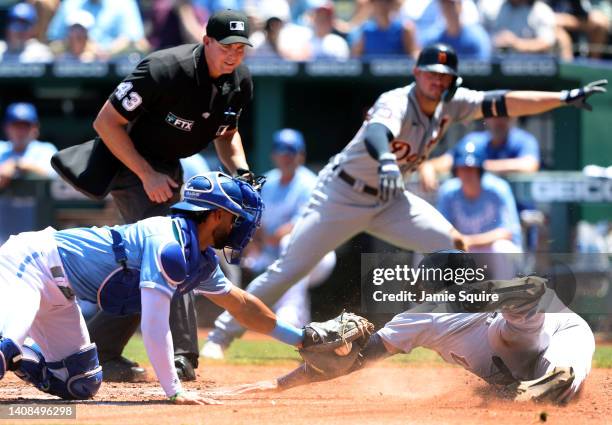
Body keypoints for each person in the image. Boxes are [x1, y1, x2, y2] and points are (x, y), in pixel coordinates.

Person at [204, 43, 607, 356]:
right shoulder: (399, 98)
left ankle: (473, 331)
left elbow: (503, 100)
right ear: (417, 73)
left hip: (390, 200)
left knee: (452, 245)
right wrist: (384, 161)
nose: (437, 81)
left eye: (444, 76)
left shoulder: (453, 102)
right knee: (288, 270)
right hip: (342, 195)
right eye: (431, 74)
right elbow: (380, 131)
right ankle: (220, 337)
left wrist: (563, 96)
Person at [51, 9, 255, 382]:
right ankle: (181, 357)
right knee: (175, 248)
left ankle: (96, 351)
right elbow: (106, 123)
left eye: (241, 47)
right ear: (206, 41)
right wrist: (146, 174)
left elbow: (226, 133)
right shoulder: (164, 68)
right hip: (129, 164)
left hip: (169, 168)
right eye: (227, 46)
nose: (234, 54)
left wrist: (240, 171)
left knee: (142, 263)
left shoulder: (238, 80)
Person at [0, 172, 324, 404]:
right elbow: (155, 327)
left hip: (61, 294)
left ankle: (21, 355)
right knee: (6, 345)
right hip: (32, 262)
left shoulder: (200, 257)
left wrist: (300, 340)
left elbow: (241, 305)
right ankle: (13, 349)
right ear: (215, 216)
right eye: (235, 218)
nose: (242, 226)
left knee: (80, 383)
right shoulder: (169, 245)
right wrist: (174, 391)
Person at [227, 252, 595, 405]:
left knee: (520, 326)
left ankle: (555, 376)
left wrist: (283, 382)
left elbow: (355, 361)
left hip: (545, 329)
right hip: (521, 336)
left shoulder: (423, 317)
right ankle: (553, 379)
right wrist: (282, 382)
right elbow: (356, 361)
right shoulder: (425, 317)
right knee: (536, 345)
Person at [201, 129, 336, 358]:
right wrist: (255, 242)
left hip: (317, 258)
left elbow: (302, 225)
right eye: (282, 152)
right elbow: (253, 220)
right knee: (255, 264)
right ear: (274, 154)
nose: (286, 157)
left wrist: (268, 237)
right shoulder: (269, 181)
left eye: (291, 152)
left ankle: (289, 313)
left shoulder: (309, 182)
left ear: (300, 155)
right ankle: (295, 325)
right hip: (274, 254)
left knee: (289, 243)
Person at [437, 140, 523, 278]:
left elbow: (507, 232)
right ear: (456, 170)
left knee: (502, 248)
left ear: (480, 170)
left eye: (472, 168)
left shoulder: (497, 189)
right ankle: (428, 299)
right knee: (430, 249)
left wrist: (469, 241)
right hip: (462, 251)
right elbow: (440, 231)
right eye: (462, 168)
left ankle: (504, 297)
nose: (467, 173)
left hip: (490, 251)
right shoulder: (448, 192)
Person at [419, 116, 540, 192]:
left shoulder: (523, 140)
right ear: (486, 119)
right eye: (493, 116)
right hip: (479, 210)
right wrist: (428, 166)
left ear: (513, 118)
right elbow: (448, 161)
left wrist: (480, 166)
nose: (498, 121)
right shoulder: (475, 141)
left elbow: (530, 166)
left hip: (517, 205)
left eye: (504, 116)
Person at [46, 0, 149, 58]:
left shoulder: (124, 3)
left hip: (110, 62)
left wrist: (103, 53)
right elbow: (54, 39)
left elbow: (133, 39)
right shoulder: (70, 3)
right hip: (72, 61)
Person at [0, 102, 57, 190]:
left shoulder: (46, 150)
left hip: (38, 202)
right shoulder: (1, 148)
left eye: (26, 126)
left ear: (35, 128)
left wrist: (18, 165)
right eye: (16, 126)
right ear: (6, 127)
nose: (21, 131)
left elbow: (53, 176)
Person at [422, 0, 492, 60]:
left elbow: (482, 67)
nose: (448, 8)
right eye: (444, 4)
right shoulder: (432, 39)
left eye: (452, 4)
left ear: (460, 6)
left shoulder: (477, 37)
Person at [491, 0, 557, 55]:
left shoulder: (541, 10)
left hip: (534, 65)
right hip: (507, 63)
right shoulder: (504, 7)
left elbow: (547, 43)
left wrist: (516, 43)